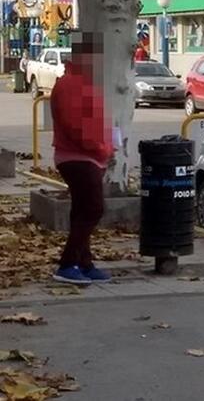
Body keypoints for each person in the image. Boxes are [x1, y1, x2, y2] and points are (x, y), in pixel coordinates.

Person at [50, 31, 114, 285]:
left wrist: (108, 143)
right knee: (92, 209)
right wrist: (103, 148)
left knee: (83, 211)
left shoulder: (86, 82)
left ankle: (83, 262)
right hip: (78, 157)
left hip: (89, 156)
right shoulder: (70, 83)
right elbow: (77, 127)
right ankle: (67, 264)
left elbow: (96, 122)